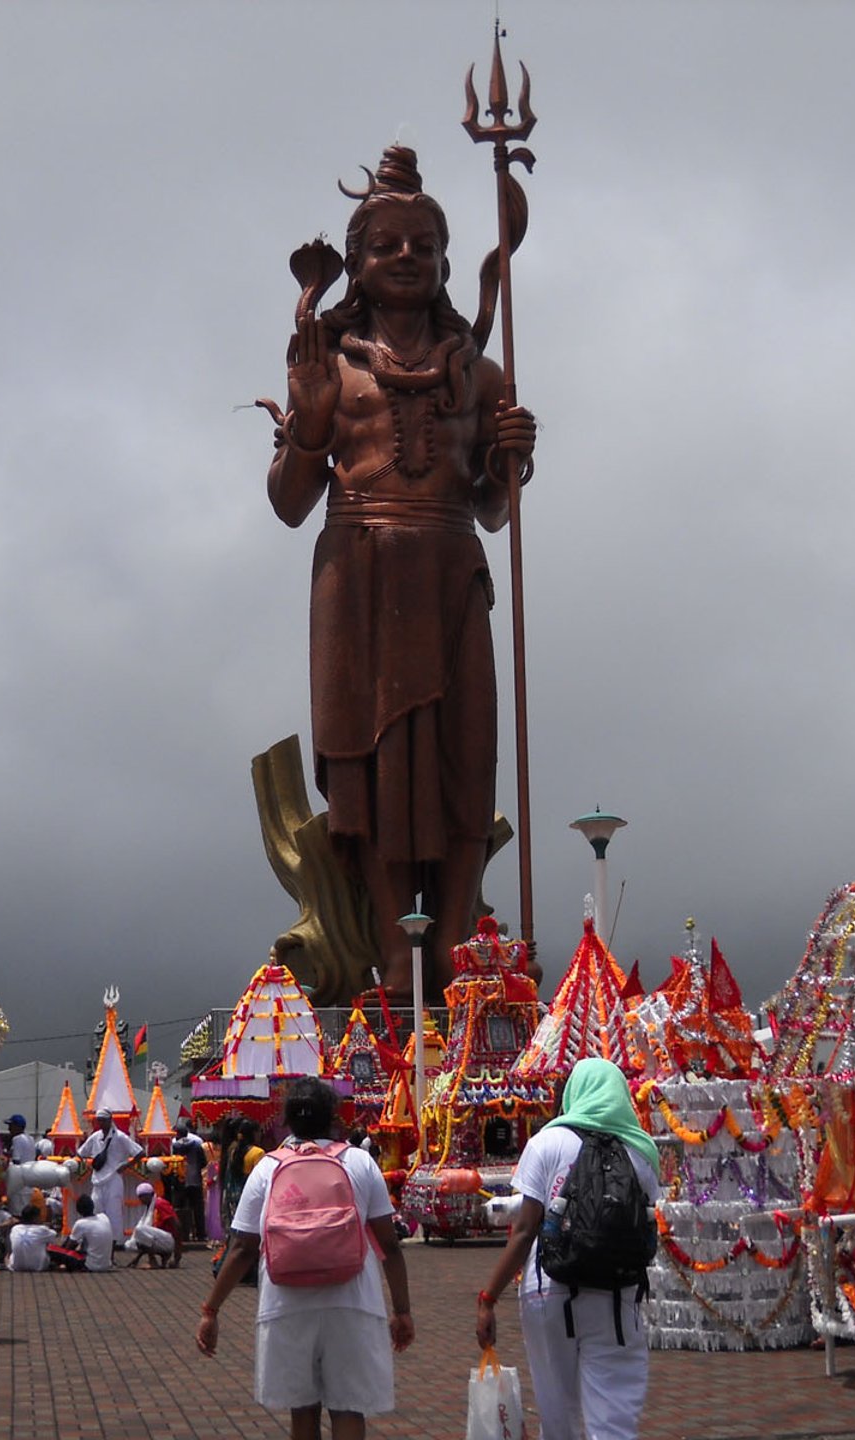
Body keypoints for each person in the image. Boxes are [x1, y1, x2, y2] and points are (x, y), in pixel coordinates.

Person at [267, 142, 536, 995]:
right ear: (357, 264)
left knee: (464, 764)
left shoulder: (481, 373)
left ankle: (456, 950)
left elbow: (493, 510)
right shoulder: (329, 365)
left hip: (452, 570)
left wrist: (511, 461)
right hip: (359, 573)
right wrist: (310, 426)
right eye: (386, 246)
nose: (407, 259)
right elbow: (287, 501)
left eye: (423, 246)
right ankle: (392, 954)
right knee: (373, 778)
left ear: (449, 262)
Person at [198, 1076, 413, 1440]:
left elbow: (242, 1248)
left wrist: (211, 1311)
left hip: (286, 1303)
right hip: (353, 1302)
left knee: (303, 1409)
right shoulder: (360, 1163)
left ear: (287, 1121)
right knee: (348, 1407)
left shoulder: (267, 1167)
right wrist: (402, 1311)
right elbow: (390, 1247)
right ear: (333, 1116)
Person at [476, 1056, 663, 1440]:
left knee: (557, 1411)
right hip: (618, 1295)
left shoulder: (546, 1142)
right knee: (613, 1415)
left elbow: (525, 1230)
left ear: (573, 1094)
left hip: (549, 1290)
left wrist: (487, 1297)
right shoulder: (641, 1153)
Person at [76, 1107, 142, 1241]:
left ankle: (115, 1242)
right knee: (95, 1211)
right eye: (99, 1121)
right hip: (97, 1179)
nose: (101, 1124)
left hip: (114, 1179)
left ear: (110, 1120)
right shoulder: (95, 1137)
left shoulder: (120, 1137)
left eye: (103, 1121)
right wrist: (89, 1166)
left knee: (114, 1213)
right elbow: (80, 1153)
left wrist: (126, 1165)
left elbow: (140, 1153)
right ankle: (97, 1240)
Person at [171, 1120, 209, 1241]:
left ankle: (182, 1234)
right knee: (198, 1209)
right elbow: (203, 1163)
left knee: (179, 1208)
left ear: (177, 1134)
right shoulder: (197, 1145)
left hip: (180, 1181)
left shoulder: (174, 1146)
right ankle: (201, 1234)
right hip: (195, 1181)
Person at [127, 1182, 181, 1268]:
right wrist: (137, 1258)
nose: (140, 1200)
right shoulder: (149, 1207)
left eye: (141, 1197)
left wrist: (178, 1253)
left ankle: (153, 1262)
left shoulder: (159, 1204)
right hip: (161, 1239)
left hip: (168, 1240)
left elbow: (176, 1224)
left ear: (147, 1195)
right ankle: (159, 1258)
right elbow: (146, 1239)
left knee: (140, 1230)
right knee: (132, 1243)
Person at [67, 1193, 117, 1272]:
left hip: (90, 1265)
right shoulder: (104, 1217)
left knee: (61, 1254)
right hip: (106, 1264)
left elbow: (69, 1247)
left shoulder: (81, 1223)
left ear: (78, 1210)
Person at [7, 1204, 59, 1272]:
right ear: (35, 1218)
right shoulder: (42, 1229)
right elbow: (55, 1237)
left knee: (7, 1255)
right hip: (38, 1267)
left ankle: (8, 1264)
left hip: (16, 1266)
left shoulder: (15, 1228)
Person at [4, 1113, 37, 1213]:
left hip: (19, 1183)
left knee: (16, 1213)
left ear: (17, 1127)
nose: (9, 1129)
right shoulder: (30, 1139)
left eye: (11, 1126)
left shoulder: (17, 1139)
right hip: (30, 1181)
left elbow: (16, 1161)